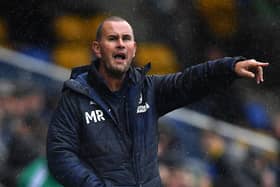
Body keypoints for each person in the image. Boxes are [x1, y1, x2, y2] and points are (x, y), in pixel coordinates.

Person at [46, 16, 269, 187]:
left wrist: (229, 67)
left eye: (126, 39)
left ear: (134, 50)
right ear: (97, 48)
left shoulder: (149, 90)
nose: (121, 44)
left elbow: (189, 81)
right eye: (113, 39)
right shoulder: (76, 97)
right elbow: (59, 154)